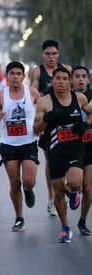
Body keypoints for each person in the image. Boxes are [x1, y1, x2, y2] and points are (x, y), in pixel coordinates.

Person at [34, 67, 92, 243]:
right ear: (52, 81)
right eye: (57, 78)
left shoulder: (79, 98)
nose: (61, 82)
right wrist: (46, 120)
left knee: (76, 182)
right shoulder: (44, 102)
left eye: (65, 79)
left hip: (75, 148)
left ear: (70, 82)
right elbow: (36, 129)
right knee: (58, 192)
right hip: (55, 150)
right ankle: (65, 227)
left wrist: (86, 125)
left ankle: (73, 190)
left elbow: (89, 113)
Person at [0, 61, 40, 232]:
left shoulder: (32, 92)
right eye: (12, 74)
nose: (15, 77)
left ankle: (29, 190)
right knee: (14, 183)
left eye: (18, 74)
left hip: (29, 143)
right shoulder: (0, 95)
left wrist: (41, 126)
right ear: (7, 76)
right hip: (9, 145)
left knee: (28, 181)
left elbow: (44, 111)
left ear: (23, 76)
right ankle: (19, 218)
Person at [30, 39, 72, 216]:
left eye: (54, 53)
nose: (51, 57)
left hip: (66, 120)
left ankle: (70, 187)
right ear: (42, 54)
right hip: (48, 121)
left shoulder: (67, 70)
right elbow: (32, 92)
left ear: (58, 54)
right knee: (51, 160)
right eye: (48, 54)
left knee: (71, 155)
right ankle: (51, 198)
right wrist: (37, 96)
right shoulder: (38, 71)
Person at [71, 66, 92, 235]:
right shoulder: (66, 98)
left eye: (83, 76)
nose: (80, 79)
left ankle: (82, 221)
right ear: (72, 80)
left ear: (88, 80)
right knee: (74, 184)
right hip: (71, 148)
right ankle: (70, 190)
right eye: (77, 76)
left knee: (87, 188)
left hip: (90, 147)